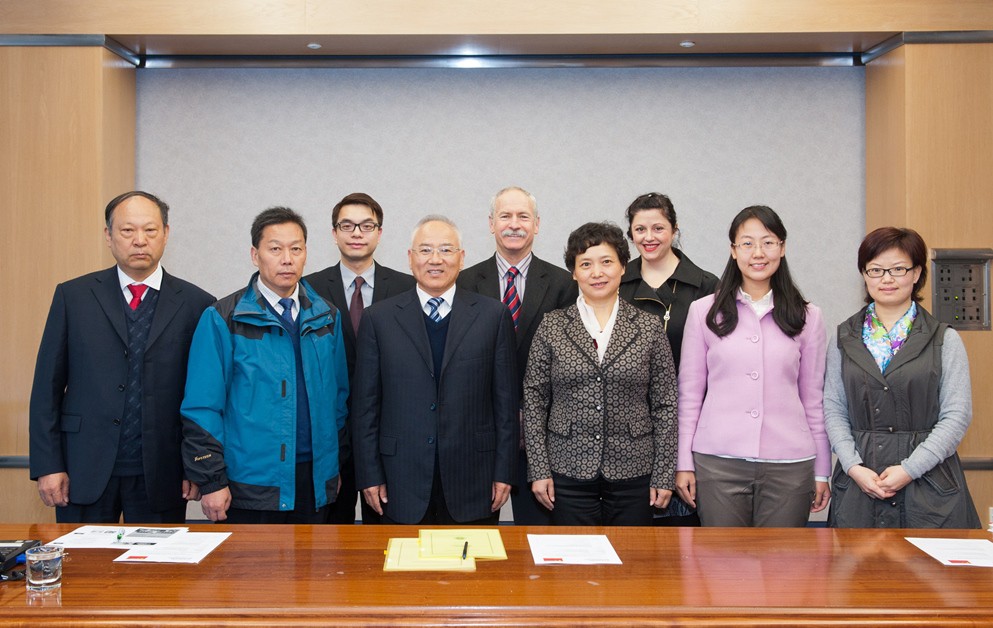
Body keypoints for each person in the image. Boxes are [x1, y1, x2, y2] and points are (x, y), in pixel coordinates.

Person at [29, 191, 214, 523]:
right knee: (83, 569)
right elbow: (47, 388)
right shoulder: (74, 297)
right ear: (108, 236)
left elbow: (203, 396)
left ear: (166, 234)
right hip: (82, 465)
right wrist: (48, 465)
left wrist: (197, 466)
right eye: (128, 231)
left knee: (158, 571)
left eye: (150, 231)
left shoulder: (197, 304)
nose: (139, 241)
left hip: (164, 470)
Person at [181, 207, 349, 523]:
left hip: (314, 482)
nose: (287, 258)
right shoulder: (223, 318)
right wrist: (212, 480)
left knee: (314, 572)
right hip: (249, 486)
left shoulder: (327, 317)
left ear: (305, 253)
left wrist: (333, 468)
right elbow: (202, 407)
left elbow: (338, 401)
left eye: (296, 249)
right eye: (275, 249)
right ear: (255, 255)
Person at [351, 215, 518, 525]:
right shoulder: (379, 319)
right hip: (399, 478)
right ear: (410, 257)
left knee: (474, 570)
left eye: (446, 250)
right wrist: (369, 474)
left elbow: (506, 405)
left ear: (462, 257)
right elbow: (365, 407)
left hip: (474, 478)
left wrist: (504, 470)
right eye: (425, 250)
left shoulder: (493, 316)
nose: (435, 260)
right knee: (400, 570)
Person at [675, 205, 829, 527]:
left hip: (789, 464)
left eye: (768, 242)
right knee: (721, 569)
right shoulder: (703, 311)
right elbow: (689, 395)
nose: (758, 253)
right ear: (733, 251)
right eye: (747, 243)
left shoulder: (808, 317)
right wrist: (683, 463)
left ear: (782, 248)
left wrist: (822, 469)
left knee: (783, 568)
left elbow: (813, 398)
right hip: (718, 462)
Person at [825, 227, 981, 528]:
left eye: (898, 269)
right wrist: (854, 467)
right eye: (876, 269)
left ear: (917, 273)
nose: (886, 278)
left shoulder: (944, 339)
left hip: (930, 486)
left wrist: (909, 469)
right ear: (864, 274)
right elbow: (833, 408)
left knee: (930, 574)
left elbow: (957, 416)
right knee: (859, 574)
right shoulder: (843, 337)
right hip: (860, 483)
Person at [524, 222, 678, 526]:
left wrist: (663, 472)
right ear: (574, 272)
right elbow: (533, 399)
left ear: (623, 267)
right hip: (566, 469)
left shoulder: (648, 327)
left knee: (631, 563)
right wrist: (539, 469)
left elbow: (666, 404)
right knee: (574, 567)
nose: (597, 272)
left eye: (607, 262)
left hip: (635, 470)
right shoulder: (552, 325)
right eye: (586, 264)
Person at [458, 186, 576, 525]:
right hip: (479, 430)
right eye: (505, 216)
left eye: (523, 216)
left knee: (539, 541)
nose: (514, 224)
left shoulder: (563, 284)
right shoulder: (464, 283)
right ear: (491, 223)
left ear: (536, 224)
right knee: (475, 539)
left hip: (542, 436)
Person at [305, 192, 414, 524]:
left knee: (384, 532)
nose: (356, 233)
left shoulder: (407, 288)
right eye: (347, 225)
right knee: (326, 537)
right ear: (334, 232)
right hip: (326, 431)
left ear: (379, 233)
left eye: (366, 225)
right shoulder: (308, 289)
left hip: (388, 433)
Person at [618, 192, 718, 527]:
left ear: (674, 230)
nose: (649, 237)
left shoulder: (706, 286)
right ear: (630, 233)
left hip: (687, 420)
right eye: (640, 229)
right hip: (625, 426)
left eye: (658, 228)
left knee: (681, 535)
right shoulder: (616, 282)